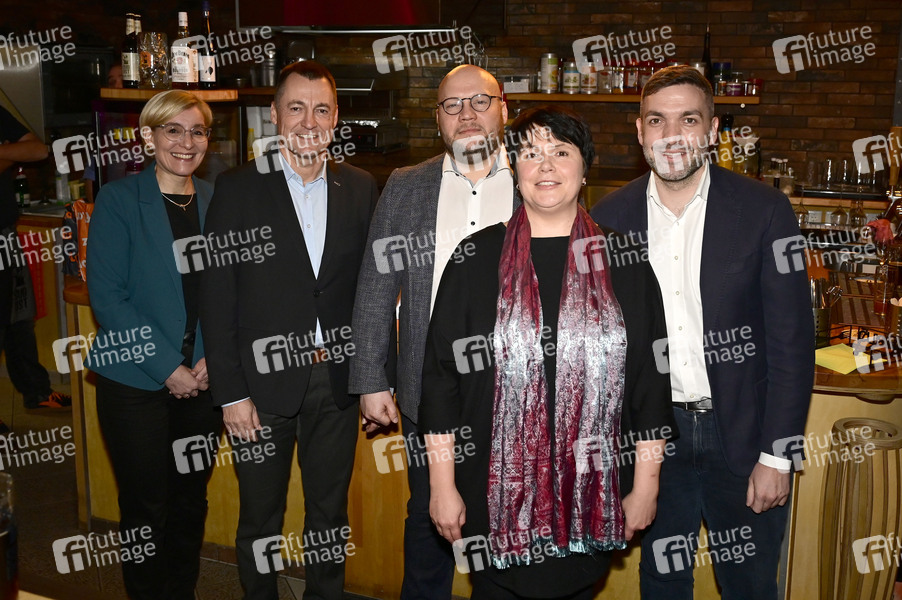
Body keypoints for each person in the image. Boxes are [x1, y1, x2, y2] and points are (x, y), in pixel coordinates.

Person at [419, 106, 674, 599]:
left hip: (593, 496)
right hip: (488, 496)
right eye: (532, 154)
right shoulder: (474, 258)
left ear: (585, 168)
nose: (547, 166)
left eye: (561, 152)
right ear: (514, 168)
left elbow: (650, 384)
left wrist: (646, 487)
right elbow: (439, 383)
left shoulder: (625, 261)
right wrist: (441, 485)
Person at [590, 65, 813, 600]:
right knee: (661, 582)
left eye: (688, 120)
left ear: (712, 131)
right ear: (640, 131)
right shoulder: (606, 218)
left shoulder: (764, 210)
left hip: (743, 437)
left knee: (749, 585)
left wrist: (777, 456)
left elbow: (792, 343)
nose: (672, 135)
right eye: (657, 121)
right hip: (652, 440)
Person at [199, 60, 378, 600]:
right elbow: (217, 299)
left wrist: (373, 376)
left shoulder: (360, 187)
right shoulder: (236, 188)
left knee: (329, 516)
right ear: (274, 115)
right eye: (296, 108)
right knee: (260, 519)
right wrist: (231, 394)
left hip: (335, 383)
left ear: (336, 117)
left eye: (321, 109)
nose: (308, 121)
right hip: (260, 386)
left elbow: (369, 291)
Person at [349, 64, 517, 598]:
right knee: (427, 524)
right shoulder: (406, 185)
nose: (467, 114)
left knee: (508, 532)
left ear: (503, 108)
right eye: (452, 105)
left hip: (514, 393)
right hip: (429, 392)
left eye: (480, 102)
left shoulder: (537, 177)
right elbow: (376, 286)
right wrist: (370, 379)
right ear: (437, 119)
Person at [85, 89, 221, 599]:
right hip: (134, 382)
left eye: (197, 131)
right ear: (149, 136)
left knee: (190, 502)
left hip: (204, 379)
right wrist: (168, 367)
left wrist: (214, 356)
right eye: (173, 130)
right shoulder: (118, 200)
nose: (187, 142)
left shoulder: (217, 199)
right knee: (146, 508)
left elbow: (230, 290)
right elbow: (109, 299)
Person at [0, 104, 71, 417]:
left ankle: (37, 391)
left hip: (5, 233)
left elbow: (38, 150)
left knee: (19, 318)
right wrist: (9, 152)